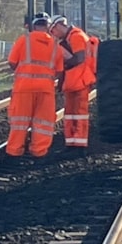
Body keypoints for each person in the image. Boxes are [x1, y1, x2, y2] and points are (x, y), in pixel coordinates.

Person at [5, 12, 63, 161]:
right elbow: (59, 70)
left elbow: (12, 62)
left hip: (23, 88)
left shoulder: (23, 40)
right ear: (48, 26)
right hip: (45, 90)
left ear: (34, 25)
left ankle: (14, 151)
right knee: (43, 122)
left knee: (19, 121)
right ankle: (39, 151)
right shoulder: (55, 45)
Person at [49, 14, 96, 151]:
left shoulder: (77, 36)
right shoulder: (69, 38)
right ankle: (71, 142)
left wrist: (62, 58)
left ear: (58, 26)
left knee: (79, 114)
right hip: (73, 82)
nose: (54, 35)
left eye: (53, 31)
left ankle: (80, 144)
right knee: (70, 114)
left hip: (80, 81)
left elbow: (79, 59)